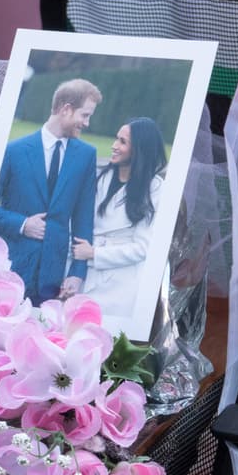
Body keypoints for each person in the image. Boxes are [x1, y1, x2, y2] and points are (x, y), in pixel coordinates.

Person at [0, 79, 101, 303]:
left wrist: (78, 272)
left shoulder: (87, 155)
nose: (87, 123)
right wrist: (22, 224)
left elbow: (83, 218)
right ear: (66, 109)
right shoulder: (14, 151)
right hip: (10, 267)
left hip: (53, 277)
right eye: (85, 115)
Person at [72, 117, 167, 339]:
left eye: (122, 142)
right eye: (117, 138)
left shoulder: (155, 189)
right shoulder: (99, 177)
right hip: (83, 273)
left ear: (139, 150)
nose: (114, 145)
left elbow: (143, 248)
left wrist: (95, 253)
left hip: (122, 285)